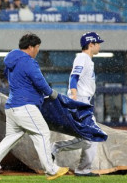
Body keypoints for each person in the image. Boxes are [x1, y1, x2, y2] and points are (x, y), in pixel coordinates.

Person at [0, 33, 69, 181]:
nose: (38, 50)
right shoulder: (28, 62)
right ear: (31, 47)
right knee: (42, 133)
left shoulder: (10, 61)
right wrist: (51, 94)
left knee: (11, 137)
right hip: (25, 105)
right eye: (38, 47)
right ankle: (51, 170)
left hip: (12, 106)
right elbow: (39, 81)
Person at [51, 32, 104, 177]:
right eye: (97, 43)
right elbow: (74, 77)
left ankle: (83, 169)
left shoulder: (87, 60)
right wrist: (74, 99)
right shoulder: (82, 58)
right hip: (80, 101)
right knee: (90, 138)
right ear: (90, 44)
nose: (99, 46)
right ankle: (55, 148)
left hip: (83, 101)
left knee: (90, 139)